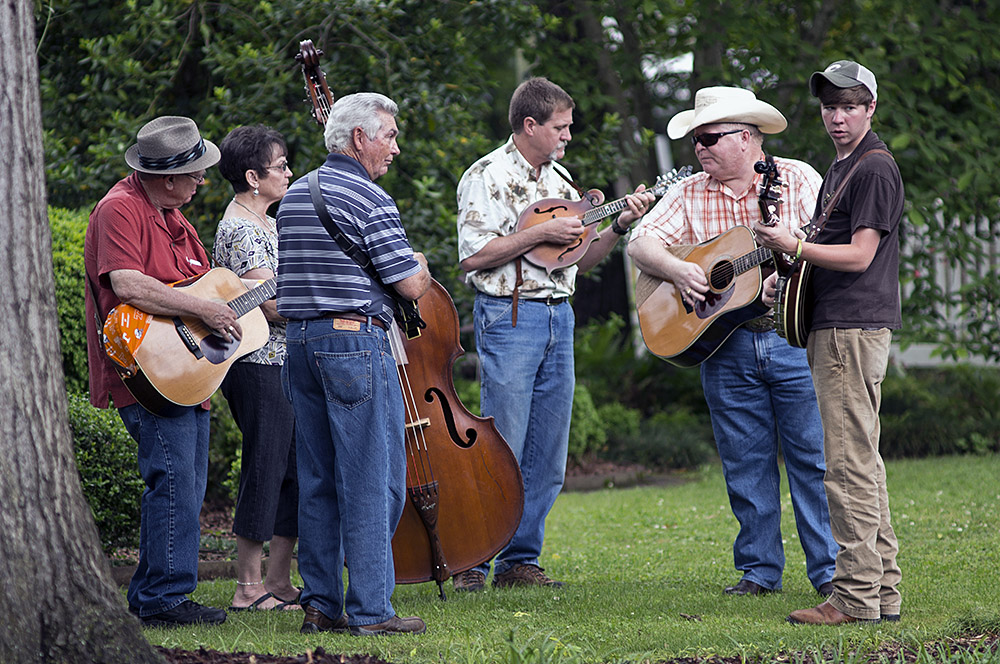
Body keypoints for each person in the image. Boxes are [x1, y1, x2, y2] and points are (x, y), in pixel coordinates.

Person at [628, 87, 838, 597]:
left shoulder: (798, 179)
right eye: (696, 140)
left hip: (791, 338)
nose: (700, 148)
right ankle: (760, 572)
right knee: (745, 462)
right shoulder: (688, 192)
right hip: (725, 345)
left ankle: (830, 572)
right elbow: (639, 242)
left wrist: (785, 282)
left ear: (748, 139)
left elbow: (827, 243)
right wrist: (680, 270)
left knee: (813, 459)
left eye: (710, 138)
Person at [453, 77, 654, 592]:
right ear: (530, 125)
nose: (568, 136)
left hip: (557, 316)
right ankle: (472, 561)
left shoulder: (562, 182)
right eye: (560, 128)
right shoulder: (486, 176)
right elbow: (473, 258)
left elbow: (579, 262)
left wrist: (618, 226)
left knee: (547, 452)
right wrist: (539, 232)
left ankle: (520, 561)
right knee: (502, 446)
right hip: (509, 315)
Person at [754, 61, 904, 625]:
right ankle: (881, 594)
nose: (837, 117)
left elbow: (861, 255)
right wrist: (785, 270)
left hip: (850, 329)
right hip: (839, 324)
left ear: (870, 108)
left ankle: (855, 597)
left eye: (850, 106)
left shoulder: (872, 170)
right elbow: (827, 251)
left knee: (845, 466)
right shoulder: (843, 167)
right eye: (829, 107)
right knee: (861, 460)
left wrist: (793, 243)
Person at [276, 92, 431, 636]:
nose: (395, 146)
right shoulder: (370, 197)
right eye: (389, 134)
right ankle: (371, 611)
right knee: (372, 480)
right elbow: (410, 284)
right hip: (353, 345)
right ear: (359, 138)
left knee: (317, 479)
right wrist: (420, 264)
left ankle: (319, 606)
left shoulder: (293, 195)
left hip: (299, 343)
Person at [84, 116, 232, 627]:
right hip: (144, 375)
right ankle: (165, 600)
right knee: (172, 482)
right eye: (195, 174)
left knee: (186, 483)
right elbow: (126, 284)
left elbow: (202, 293)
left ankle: (156, 593)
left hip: (185, 373)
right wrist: (206, 313)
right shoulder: (118, 209)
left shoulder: (175, 217)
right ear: (167, 176)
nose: (202, 182)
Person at [214, 125, 301, 611]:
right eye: (280, 166)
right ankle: (248, 587)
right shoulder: (241, 229)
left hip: (282, 361)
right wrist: (325, 298)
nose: (289, 172)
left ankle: (280, 581)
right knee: (265, 466)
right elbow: (272, 307)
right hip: (257, 364)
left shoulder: (267, 221)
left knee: (292, 470)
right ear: (252, 176)